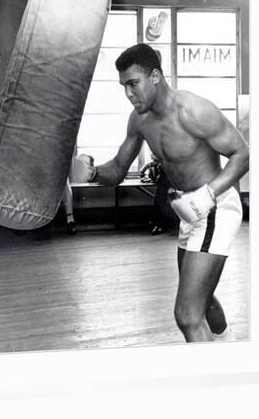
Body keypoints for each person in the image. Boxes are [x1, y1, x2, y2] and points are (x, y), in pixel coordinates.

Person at [86, 43, 249, 343]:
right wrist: (91, 172)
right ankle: (228, 349)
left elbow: (242, 154)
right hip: (189, 212)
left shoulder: (193, 111)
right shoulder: (140, 121)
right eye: (124, 86)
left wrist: (209, 194)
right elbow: (119, 169)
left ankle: (215, 385)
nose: (129, 94)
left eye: (134, 84)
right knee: (203, 297)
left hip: (215, 208)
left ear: (156, 76)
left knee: (187, 315)